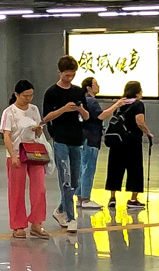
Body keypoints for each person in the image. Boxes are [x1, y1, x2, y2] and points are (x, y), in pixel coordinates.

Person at [41, 56, 89, 233]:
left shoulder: (78, 91)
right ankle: (70, 217)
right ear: (60, 72)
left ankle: (61, 209)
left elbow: (86, 116)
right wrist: (63, 109)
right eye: (67, 75)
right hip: (60, 139)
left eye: (73, 75)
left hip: (77, 139)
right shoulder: (52, 92)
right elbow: (46, 118)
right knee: (66, 179)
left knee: (76, 179)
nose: (70, 78)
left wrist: (80, 109)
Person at [1, 79, 50, 240]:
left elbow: (38, 132)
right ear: (17, 95)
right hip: (16, 153)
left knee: (39, 188)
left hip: (34, 152)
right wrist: (13, 155)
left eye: (31, 95)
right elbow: (7, 135)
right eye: (25, 96)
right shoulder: (9, 112)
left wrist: (37, 130)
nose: (28, 99)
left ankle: (37, 223)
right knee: (16, 190)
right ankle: (18, 225)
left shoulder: (34, 109)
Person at [100, 80, 152, 210]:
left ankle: (112, 198)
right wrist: (148, 132)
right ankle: (133, 199)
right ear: (138, 91)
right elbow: (139, 122)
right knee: (135, 169)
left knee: (115, 169)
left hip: (117, 142)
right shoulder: (138, 105)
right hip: (132, 142)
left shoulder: (120, 104)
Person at [79, 76, 104, 211]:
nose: (98, 86)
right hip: (92, 138)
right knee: (89, 168)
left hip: (83, 137)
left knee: (82, 167)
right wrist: (117, 105)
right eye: (95, 84)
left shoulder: (83, 101)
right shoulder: (92, 102)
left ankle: (79, 196)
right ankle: (86, 198)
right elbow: (100, 116)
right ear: (89, 88)